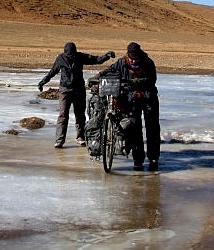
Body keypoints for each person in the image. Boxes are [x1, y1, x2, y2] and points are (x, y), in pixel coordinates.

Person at [38, 42, 115, 148]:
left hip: (79, 90)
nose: (71, 57)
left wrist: (106, 56)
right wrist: (43, 82)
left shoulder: (80, 56)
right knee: (63, 115)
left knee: (80, 115)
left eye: (72, 55)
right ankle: (59, 140)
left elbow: (95, 60)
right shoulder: (61, 58)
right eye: (69, 55)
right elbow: (53, 71)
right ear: (65, 54)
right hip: (65, 90)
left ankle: (81, 137)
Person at [97, 42, 160, 171]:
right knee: (135, 130)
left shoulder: (148, 63)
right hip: (131, 102)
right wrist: (97, 77)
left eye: (135, 58)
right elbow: (109, 71)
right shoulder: (121, 63)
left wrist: (133, 83)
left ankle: (153, 158)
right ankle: (138, 160)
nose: (133, 60)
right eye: (131, 57)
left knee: (152, 129)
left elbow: (151, 80)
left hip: (149, 100)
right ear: (128, 55)